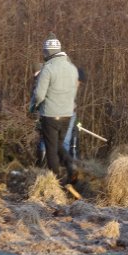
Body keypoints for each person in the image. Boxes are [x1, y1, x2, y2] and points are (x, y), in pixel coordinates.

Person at [30, 32, 79, 183]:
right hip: (67, 115)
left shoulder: (48, 69)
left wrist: (33, 106)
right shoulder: (72, 68)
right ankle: (71, 165)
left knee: (51, 149)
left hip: (50, 115)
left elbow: (39, 95)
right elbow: (74, 91)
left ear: (48, 51)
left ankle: (55, 182)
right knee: (58, 145)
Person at [63, 67, 86, 160]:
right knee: (65, 141)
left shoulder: (73, 91)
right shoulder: (65, 87)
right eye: (78, 81)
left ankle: (72, 161)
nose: (78, 84)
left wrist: (77, 123)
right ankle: (65, 162)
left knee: (73, 137)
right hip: (62, 117)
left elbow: (74, 110)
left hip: (71, 116)